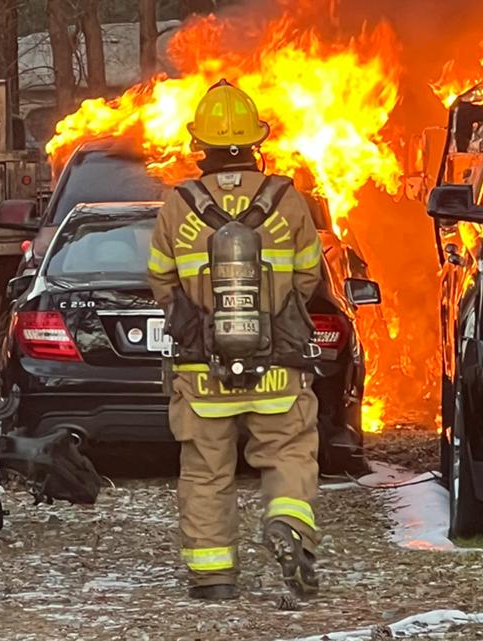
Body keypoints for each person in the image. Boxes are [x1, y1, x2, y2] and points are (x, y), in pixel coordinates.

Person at [147, 79, 324, 601]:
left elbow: (160, 280)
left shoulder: (178, 203)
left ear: (198, 145)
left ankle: (214, 576)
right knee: (289, 452)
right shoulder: (286, 198)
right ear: (255, 141)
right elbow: (310, 276)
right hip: (277, 365)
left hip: (203, 371)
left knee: (205, 471)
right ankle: (289, 525)